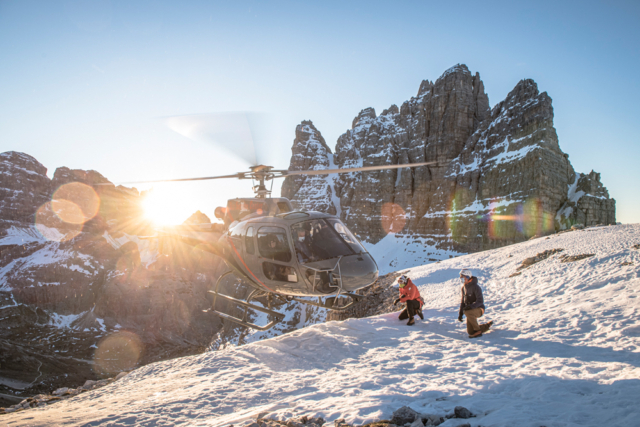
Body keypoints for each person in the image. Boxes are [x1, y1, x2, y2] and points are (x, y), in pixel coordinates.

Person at [458, 269, 493, 338]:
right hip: (469, 310)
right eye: (461, 277)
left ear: (467, 277)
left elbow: (480, 301)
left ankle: (478, 331)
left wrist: (471, 307)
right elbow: (463, 302)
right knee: (470, 332)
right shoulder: (463, 288)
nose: (461, 279)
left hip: (479, 309)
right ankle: (486, 326)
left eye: (463, 277)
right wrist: (460, 314)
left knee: (467, 312)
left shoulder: (476, 287)